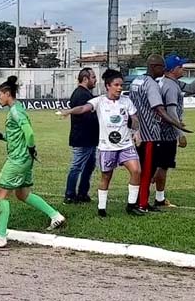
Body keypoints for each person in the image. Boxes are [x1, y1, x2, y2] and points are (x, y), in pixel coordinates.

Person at [0, 75, 66, 249]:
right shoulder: (17, 108)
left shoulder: (15, 111)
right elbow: (17, 136)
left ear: (7, 94)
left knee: (1, 193)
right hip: (24, 159)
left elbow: (28, 133)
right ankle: (56, 216)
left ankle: (1, 236)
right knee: (22, 194)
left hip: (18, 160)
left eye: (0, 94)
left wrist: (30, 148)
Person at [61, 69, 145, 216]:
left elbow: (135, 119)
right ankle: (101, 208)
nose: (120, 88)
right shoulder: (99, 101)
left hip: (126, 145)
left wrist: (136, 132)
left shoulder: (126, 101)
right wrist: (69, 111)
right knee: (106, 176)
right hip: (107, 147)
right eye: (116, 85)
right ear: (108, 86)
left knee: (137, 171)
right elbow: (83, 108)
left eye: (121, 85)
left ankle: (131, 206)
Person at [157, 54, 195, 208]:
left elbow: (191, 88)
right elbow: (171, 111)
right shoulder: (170, 86)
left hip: (162, 131)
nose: (183, 69)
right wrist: (180, 134)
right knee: (163, 165)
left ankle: (147, 192)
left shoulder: (171, 82)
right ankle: (159, 199)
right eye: (181, 67)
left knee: (158, 166)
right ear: (173, 69)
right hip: (166, 133)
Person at [130, 55, 190, 212]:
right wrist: (177, 125)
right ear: (154, 67)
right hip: (150, 133)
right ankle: (141, 204)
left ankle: (138, 201)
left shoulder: (137, 81)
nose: (164, 70)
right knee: (147, 170)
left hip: (138, 131)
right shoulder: (151, 85)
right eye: (162, 67)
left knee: (142, 168)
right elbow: (159, 108)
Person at [63, 68, 98, 204]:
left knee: (89, 166)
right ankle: (70, 195)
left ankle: (83, 193)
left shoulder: (85, 94)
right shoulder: (81, 95)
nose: (95, 80)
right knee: (77, 166)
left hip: (89, 138)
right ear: (85, 79)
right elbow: (85, 116)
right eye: (93, 77)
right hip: (83, 138)